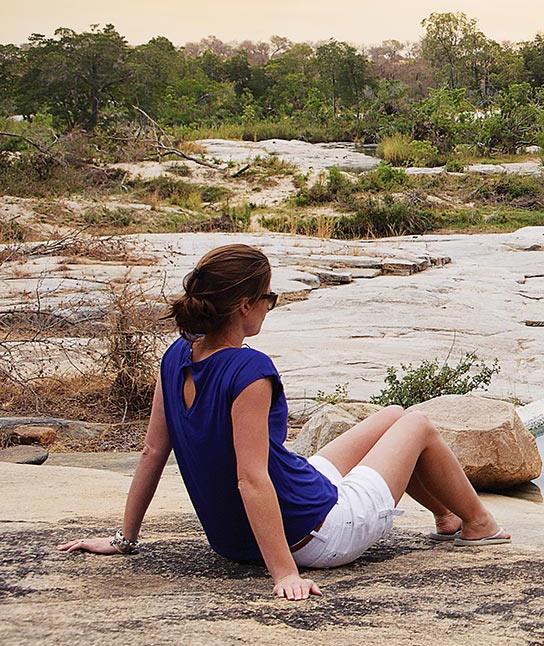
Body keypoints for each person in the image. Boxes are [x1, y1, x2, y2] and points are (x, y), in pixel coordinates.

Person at [57, 244, 509, 600]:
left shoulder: (176, 357)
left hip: (245, 535)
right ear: (245, 306)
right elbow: (251, 479)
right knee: (418, 424)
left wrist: (125, 539)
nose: (271, 306)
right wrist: (285, 575)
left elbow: (153, 452)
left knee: (391, 415)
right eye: (270, 297)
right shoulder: (249, 372)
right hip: (317, 533)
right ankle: (479, 524)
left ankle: (446, 515)